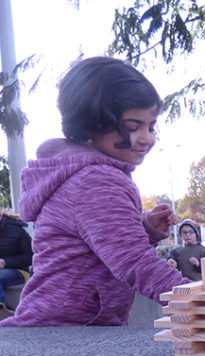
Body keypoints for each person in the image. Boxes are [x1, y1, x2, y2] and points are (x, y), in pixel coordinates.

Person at [0, 57, 188, 327]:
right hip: (68, 331)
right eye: (133, 127)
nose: (147, 138)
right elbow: (134, 262)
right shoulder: (96, 180)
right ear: (91, 124)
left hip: (59, 322)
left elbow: (97, 242)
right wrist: (202, 299)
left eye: (151, 126)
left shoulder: (83, 175)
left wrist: (142, 226)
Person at [0, 211, 33, 318]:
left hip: (18, 271)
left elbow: (31, 256)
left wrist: (6, 262)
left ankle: (3, 308)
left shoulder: (17, 230)